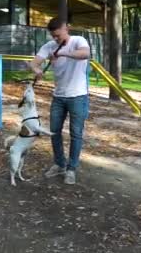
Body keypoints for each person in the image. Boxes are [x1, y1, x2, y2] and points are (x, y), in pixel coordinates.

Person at [29, 17, 90, 185]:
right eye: (53, 36)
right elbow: (34, 63)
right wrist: (37, 70)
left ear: (66, 29)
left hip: (78, 96)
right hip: (58, 96)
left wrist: (64, 52)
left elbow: (85, 53)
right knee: (54, 131)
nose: (56, 39)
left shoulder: (78, 40)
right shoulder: (49, 46)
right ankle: (59, 164)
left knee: (76, 134)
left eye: (58, 35)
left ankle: (71, 169)